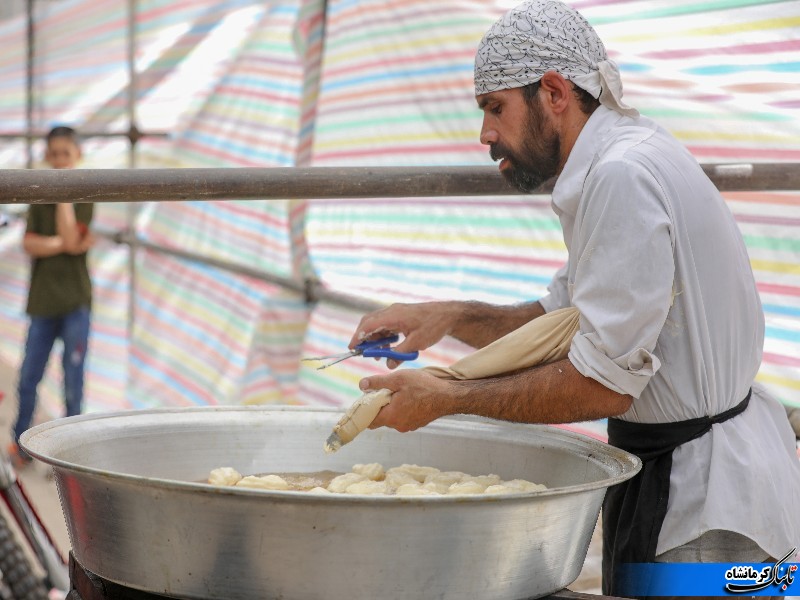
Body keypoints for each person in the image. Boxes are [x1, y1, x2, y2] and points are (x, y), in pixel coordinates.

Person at [347, 0, 800, 595]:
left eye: (495, 108)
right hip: (696, 475)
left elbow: (604, 382)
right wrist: (450, 317)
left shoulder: (622, 176)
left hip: (707, 506)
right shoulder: (615, 162)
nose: (485, 133)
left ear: (555, 93)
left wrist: (447, 398)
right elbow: (559, 322)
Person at [8, 126, 95, 468]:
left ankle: (69, 454)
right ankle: (19, 445)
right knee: (29, 377)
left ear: (77, 157)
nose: (59, 161)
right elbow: (33, 243)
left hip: (76, 302)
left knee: (73, 382)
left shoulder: (87, 196)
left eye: (65, 154)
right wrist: (64, 243)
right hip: (43, 303)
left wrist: (63, 199)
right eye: (54, 154)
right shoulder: (36, 195)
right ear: (46, 156)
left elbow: (67, 237)